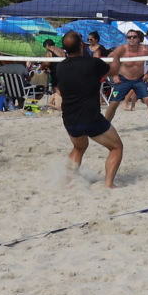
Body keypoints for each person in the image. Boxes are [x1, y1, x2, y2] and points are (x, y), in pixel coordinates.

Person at [52, 31, 123, 187]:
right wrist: (117, 55)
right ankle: (109, 184)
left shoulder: (60, 68)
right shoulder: (92, 63)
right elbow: (114, 70)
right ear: (82, 45)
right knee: (116, 147)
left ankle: (67, 182)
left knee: (79, 147)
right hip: (91, 118)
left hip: (69, 119)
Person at [106, 28, 148, 130]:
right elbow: (109, 60)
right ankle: (105, 126)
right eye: (129, 37)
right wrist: (115, 75)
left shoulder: (145, 50)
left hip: (139, 79)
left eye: (134, 37)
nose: (131, 39)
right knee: (113, 104)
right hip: (123, 79)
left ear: (139, 38)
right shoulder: (122, 49)